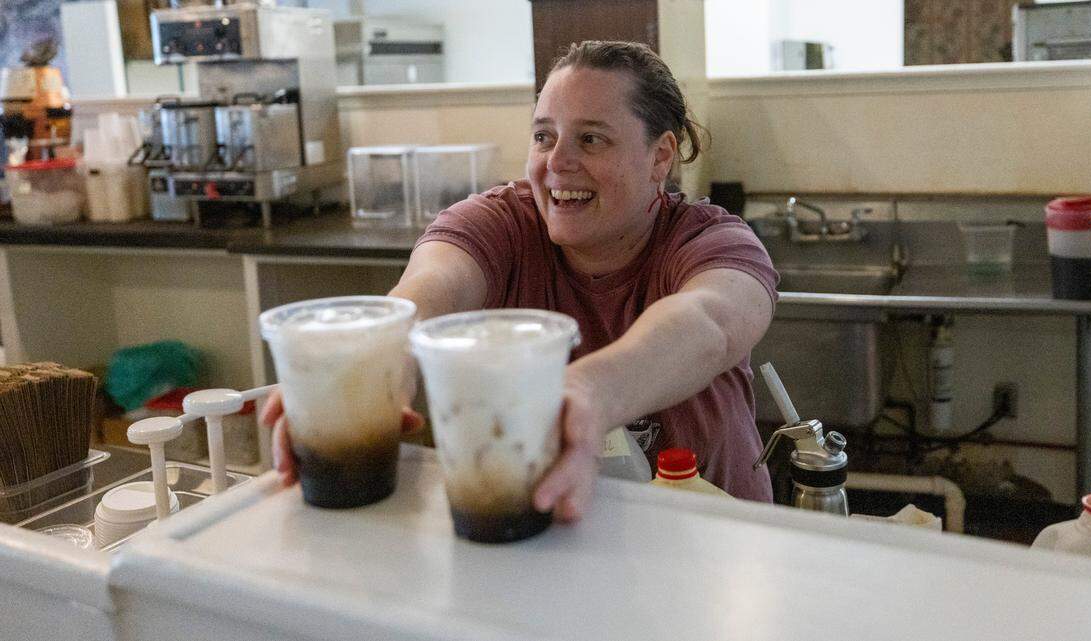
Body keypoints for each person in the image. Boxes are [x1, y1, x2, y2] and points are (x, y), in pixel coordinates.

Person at [261, 40, 779, 521]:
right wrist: (376, 355)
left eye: (591, 139)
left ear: (659, 157)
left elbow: (708, 321)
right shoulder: (498, 224)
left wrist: (587, 392)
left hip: (719, 541)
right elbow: (432, 287)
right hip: (551, 540)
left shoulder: (712, 243)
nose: (557, 163)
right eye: (543, 136)